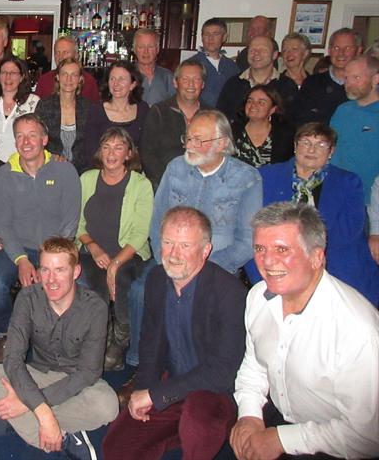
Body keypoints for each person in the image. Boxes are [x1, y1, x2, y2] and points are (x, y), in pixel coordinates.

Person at [230, 202, 379, 459]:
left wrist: (281, 440)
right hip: (278, 416)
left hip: (335, 444)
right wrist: (249, 414)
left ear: (316, 257)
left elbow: (367, 437)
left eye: (282, 249)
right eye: (260, 248)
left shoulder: (357, 331)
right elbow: (254, 365)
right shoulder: (258, 297)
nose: (266, 261)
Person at [102, 207, 246, 460]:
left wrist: (156, 395)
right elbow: (150, 346)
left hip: (215, 394)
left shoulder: (230, 293)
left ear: (205, 250)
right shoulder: (157, 278)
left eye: (185, 245)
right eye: (167, 243)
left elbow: (221, 373)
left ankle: (195, 433)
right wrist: (144, 389)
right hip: (174, 382)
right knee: (115, 448)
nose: (174, 254)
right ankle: (178, 431)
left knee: (198, 422)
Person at [0, 237, 119, 459]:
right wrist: (43, 411)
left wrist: (26, 401)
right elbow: (12, 359)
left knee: (108, 405)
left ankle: (17, 418)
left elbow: (88, 372)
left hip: (76, 384)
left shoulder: (95, 307)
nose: (51, 279)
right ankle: (64, 436)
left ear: (76, 271)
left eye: (60, 270)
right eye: (45, 269)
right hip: (36, 375)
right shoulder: (28, 297)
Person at [0, 114, 80, 361]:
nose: (26, 142)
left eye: (32, 135)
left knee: (81, 287)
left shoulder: (64, 170)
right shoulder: (5, 174)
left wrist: (50, 262)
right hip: (19, 248)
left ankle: (64, 343)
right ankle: (5, 333)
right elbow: (1, 222)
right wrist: (22, 260)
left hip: (57, 249)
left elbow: (70, 220)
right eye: (20, 136)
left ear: (44, 139)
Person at [252, 122, 379, 305]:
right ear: (295, 146)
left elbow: (349, 232)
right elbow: (256, 226)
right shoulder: (266, 177)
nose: (312, 149)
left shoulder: (348, 182)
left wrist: (308, 260)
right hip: (279, 258)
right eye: (306, 142)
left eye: (321, 144)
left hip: (336, 260)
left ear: (331, 151)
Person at [76, 127, 153, 371]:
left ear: (129, 154)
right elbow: (77, 223)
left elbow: (141, 233)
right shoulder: (87, 179)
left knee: (121, 281)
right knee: (94, 289)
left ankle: (120, 341)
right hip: (91, 251)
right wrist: (93, 247)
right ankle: (99, 338)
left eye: (119, 147)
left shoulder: (141, 184)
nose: (111, 153)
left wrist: (116, 263)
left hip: (128, 253)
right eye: (107, 147)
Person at [151, 110, 262, 274]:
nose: (189, 146)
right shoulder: (175, 168)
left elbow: (248, 240)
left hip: (218, 269)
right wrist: (164, 260)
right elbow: (157, 221)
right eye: (188, 138)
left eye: (198, 140)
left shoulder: (246, 178)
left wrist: (203, 268)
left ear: (222, 143)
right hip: (170, 264)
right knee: (139, 292)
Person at [141, 59, 210, 189]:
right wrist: (169, 182)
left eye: (196, 79)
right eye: (185, 79)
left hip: (204, 187)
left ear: (203, 84)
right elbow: (148, 155)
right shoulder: (158, 112)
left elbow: (220, 154)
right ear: (175, 82)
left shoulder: (212, 116)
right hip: (165, 185)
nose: (191, 84)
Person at [330, 53, 379, 205]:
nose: (349, 83)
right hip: (336, 193)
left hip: (369, 200)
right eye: (346, 78)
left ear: (376, 79)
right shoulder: (343, 110)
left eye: (356, 78)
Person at [85, 60, 150, 162]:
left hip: (134, 172)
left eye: (122, 79)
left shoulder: (143, 110)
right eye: (112, 79)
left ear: (133, 84)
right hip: (102, 170)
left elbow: (146, 148)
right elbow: (91, 151)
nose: (116, 84)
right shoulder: (96, 111)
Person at [0, 56, 40, 162]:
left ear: (22, 77)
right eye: (4, 72)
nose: (8, 77)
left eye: (13, 73)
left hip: (22, 163)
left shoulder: (33, 102)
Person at [35, 57, 92, 173]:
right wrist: (50, 157)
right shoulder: (45, 105)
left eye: (74, 75)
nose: (68, 79)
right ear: (57, 77)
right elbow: (36, 138)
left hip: (82, 171)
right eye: (64, 74)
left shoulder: (89, 107)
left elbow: (92, 143)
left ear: (80, 79)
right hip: (51, 169)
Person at [295, 28, 361, 125]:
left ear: (358, 51)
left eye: (347, 48)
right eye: (336, 48)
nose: (341, 53)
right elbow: (299, 120)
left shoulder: (365, 86)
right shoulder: (312, 83)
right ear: (329, 51)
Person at [217, 35, 280, 124]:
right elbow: (221, 119)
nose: (256, 53)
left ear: (274, 55)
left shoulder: (287, 85)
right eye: (252, 50)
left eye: (262, 50)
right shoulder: (233, 84)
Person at [232, 85, 295, 167]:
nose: (253, 105)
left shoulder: (285, 135)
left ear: (272, 109)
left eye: (261, 102)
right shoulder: (231, 131)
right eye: (250, 101)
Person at [183, 17, 239, 107]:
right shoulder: (191, 64)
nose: (210, 38)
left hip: (225, 118)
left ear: (224, 37)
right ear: (202, 37)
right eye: (207, 34)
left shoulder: (232, 66)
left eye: (215, 34)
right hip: (200, 117)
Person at [34, 35, 100, 101]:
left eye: (65, 52)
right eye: (57, 53)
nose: (60, 56)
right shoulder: (44, 80)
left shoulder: (89, 82)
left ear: (76, 55)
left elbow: (95, 108)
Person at [274, 32, 312, 124]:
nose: (288, 54)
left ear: (305, 53)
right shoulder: (276, 85)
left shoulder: (314, 83)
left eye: (294, 49)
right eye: (285, 50)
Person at [133, 28, 174, 106]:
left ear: (157, 49)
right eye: (141, 47)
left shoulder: (168, 77)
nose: (146, 52)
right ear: (134, 49)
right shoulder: (127, 75)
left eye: (150, 47)